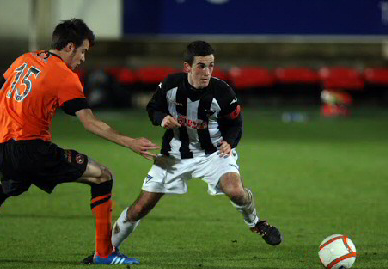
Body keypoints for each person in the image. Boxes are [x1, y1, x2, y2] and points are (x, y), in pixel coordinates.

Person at [0, 19, 158, 265]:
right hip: (33, 149)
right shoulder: (63, 75)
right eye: (82, 52)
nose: (82, 59)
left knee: (5, 188)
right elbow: (90, 123)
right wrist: (130, 142)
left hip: (2, 146)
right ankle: (104, 253)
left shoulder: (24, 59)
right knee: (102, 176)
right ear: (70, 47)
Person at [111, 41, 282, 255]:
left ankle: (256, 223)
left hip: (214, 153)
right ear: (187, 67)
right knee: (140, 208)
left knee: (235, 190)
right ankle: (107, 250)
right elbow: (153, 108)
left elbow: (236, 123)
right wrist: (162, 118)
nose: (207, 72)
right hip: (174, 155)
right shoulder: (170, 85)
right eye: (201, 65)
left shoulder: (223, 91)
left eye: (211, 66)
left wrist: (230, 141)